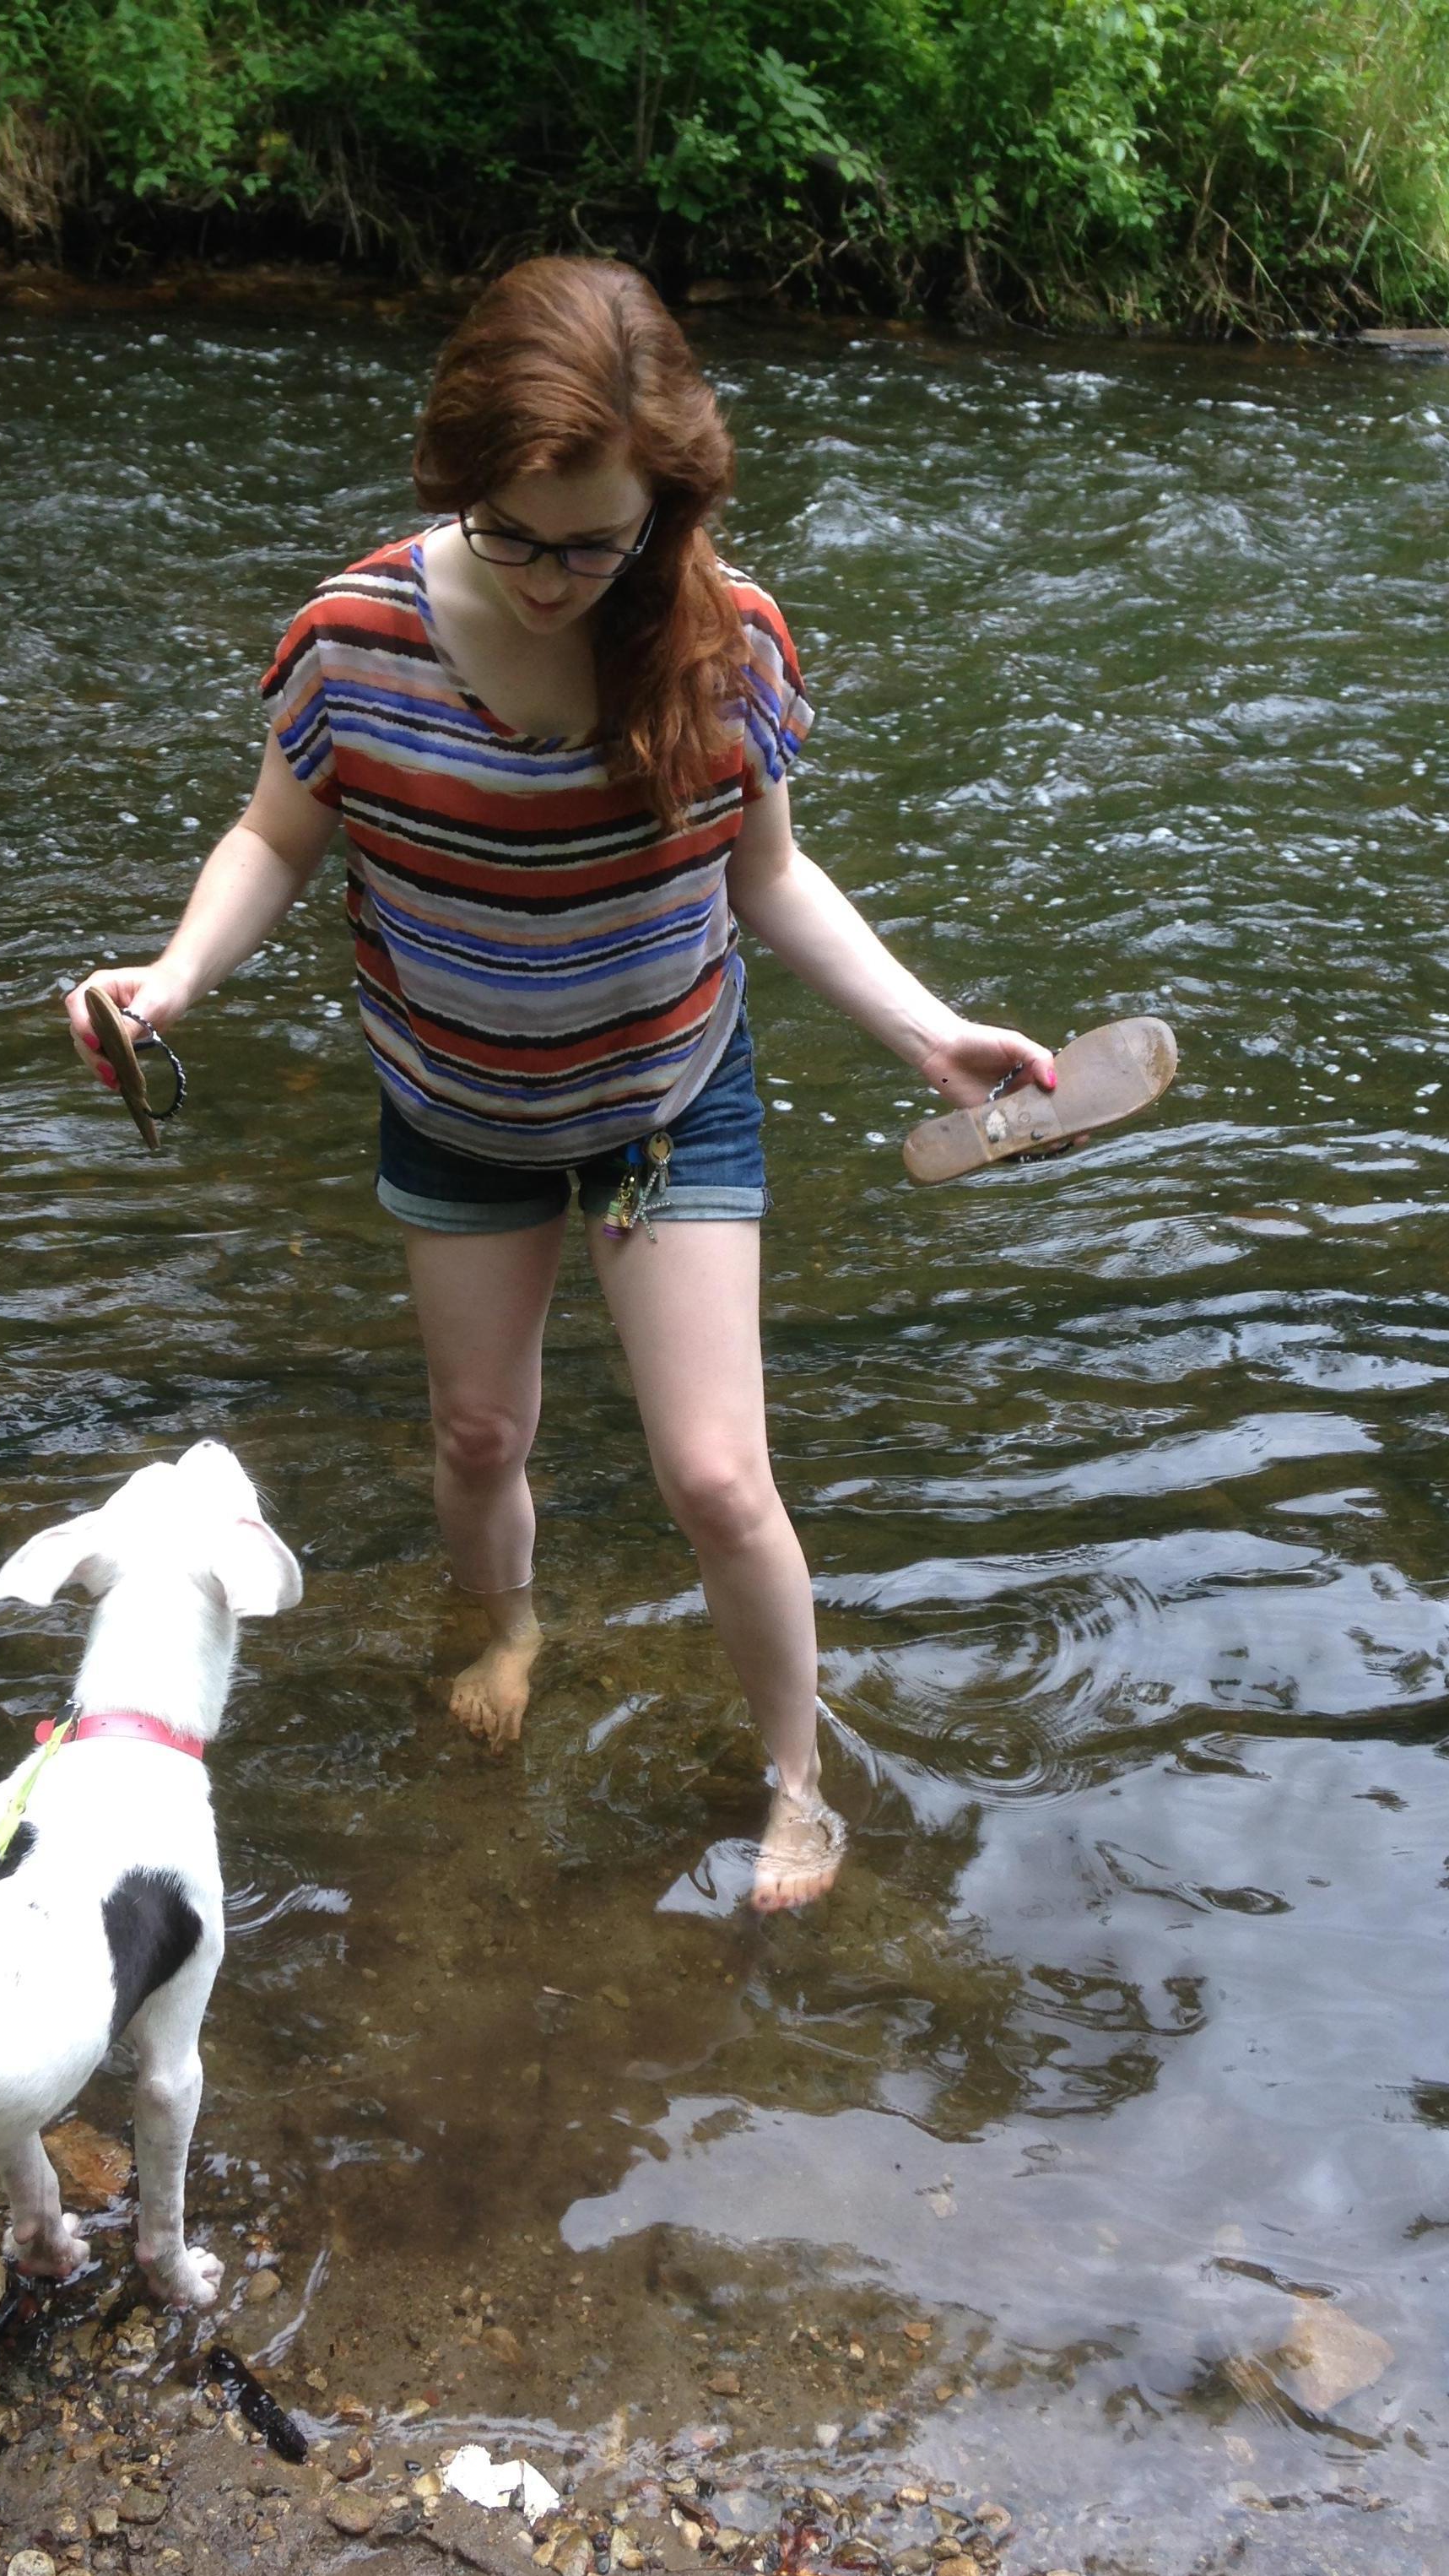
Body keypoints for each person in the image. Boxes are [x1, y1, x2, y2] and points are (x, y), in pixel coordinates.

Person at [73, 255, 1056, 1913]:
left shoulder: (726, 643)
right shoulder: (354, 641)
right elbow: (275, 835)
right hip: (454, 1104)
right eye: (514, 534)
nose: (548, 577)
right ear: (461, 484)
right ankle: (511, 1628)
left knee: (718, 1476)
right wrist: (172, 977)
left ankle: (796, 1784)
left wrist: (925, 1030)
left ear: (663, 508)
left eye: (593, 543)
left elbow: (771, 879)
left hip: (669, 1094)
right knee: (478, 1434)